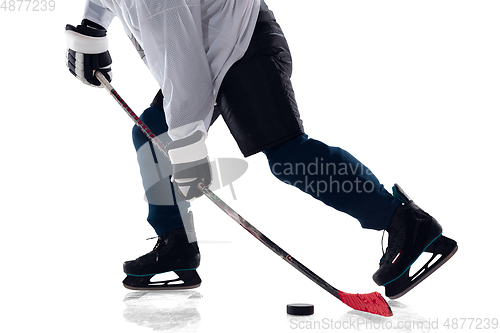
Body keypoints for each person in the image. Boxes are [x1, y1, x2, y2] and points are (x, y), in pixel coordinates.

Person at [65, 0, 457, 298]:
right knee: (150, 137)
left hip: (242, 43)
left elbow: (191, 86)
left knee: (287, 156)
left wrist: (188, 158)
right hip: (202, 46)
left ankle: (405, 221)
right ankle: (176, 247)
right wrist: (92, 27)